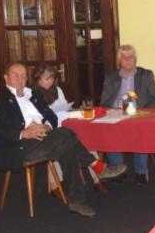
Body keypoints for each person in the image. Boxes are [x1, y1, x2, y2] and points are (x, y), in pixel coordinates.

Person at [0, 63, 123, 217]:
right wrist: (23, 133)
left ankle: (77, 201)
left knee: (67, 147)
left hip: (45, 138)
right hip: (20, 145)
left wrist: (45, 127)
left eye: (23, 75)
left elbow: (51, 117)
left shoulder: (33, 95)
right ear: (6, 78)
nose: (20, 79)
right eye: (15, 75)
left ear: (27, 78)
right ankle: (97, 166)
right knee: (66, 134)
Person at [33, 63, 115, 195]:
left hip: (64, 123)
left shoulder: (57, 90)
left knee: (86, 139)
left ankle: (97, 178)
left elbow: (64, 107)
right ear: (38, 79)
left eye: (52, 78)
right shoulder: (34, 94)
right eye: (46, 78)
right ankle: (55, 184)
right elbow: (38, 117)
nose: (50, 81)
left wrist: (71, 110)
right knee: (61, 143)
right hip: (47, 129)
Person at [100, 44, 155, 185]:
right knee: (109, 131)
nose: (127, 60)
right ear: (119, 60)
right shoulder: (111, 77)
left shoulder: (146, 75)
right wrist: (113, 110)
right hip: (116, 113)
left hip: (138, 114)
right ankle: (118, 171)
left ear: (136, 59)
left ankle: (141, 172)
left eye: (130, 56)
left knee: (139, 131)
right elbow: (104, 102)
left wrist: (142, 112)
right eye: (124, 57)